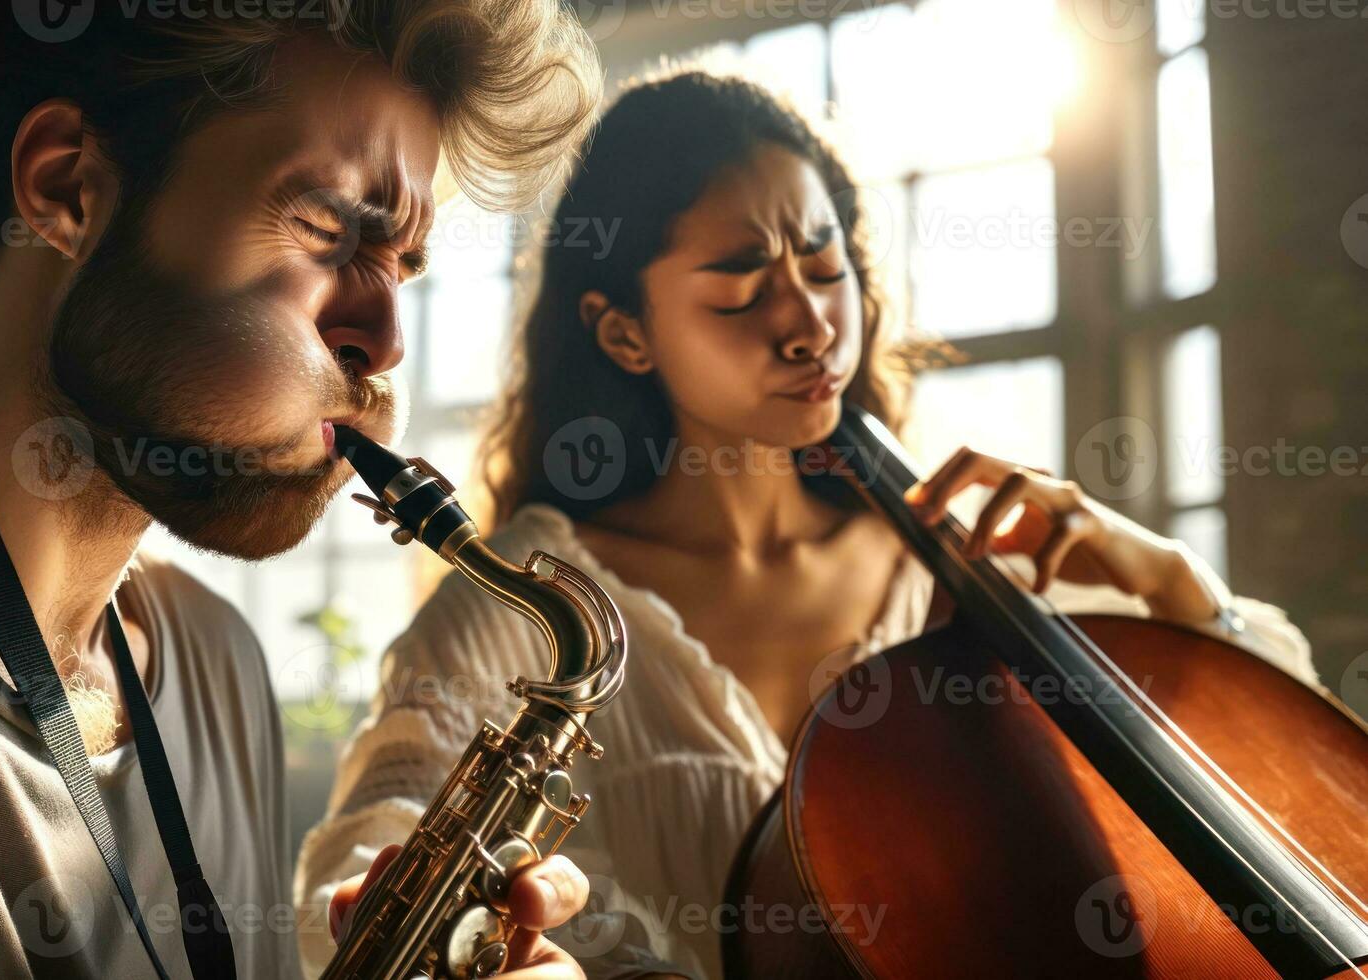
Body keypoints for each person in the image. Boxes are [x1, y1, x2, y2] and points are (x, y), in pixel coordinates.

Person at [294, 71, 1319, 979]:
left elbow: (1291, 774)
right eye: (742, 288)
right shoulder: (531, 599)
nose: (810, 323)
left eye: (824, 265)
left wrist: (1165, 577)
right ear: (623, 332)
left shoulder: (969, 560)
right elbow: (368, 858)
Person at [0, 1, 605, 976]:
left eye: (402, 265)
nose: (387, 339)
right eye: (324, 228)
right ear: (66, 185)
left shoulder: (215, 660)